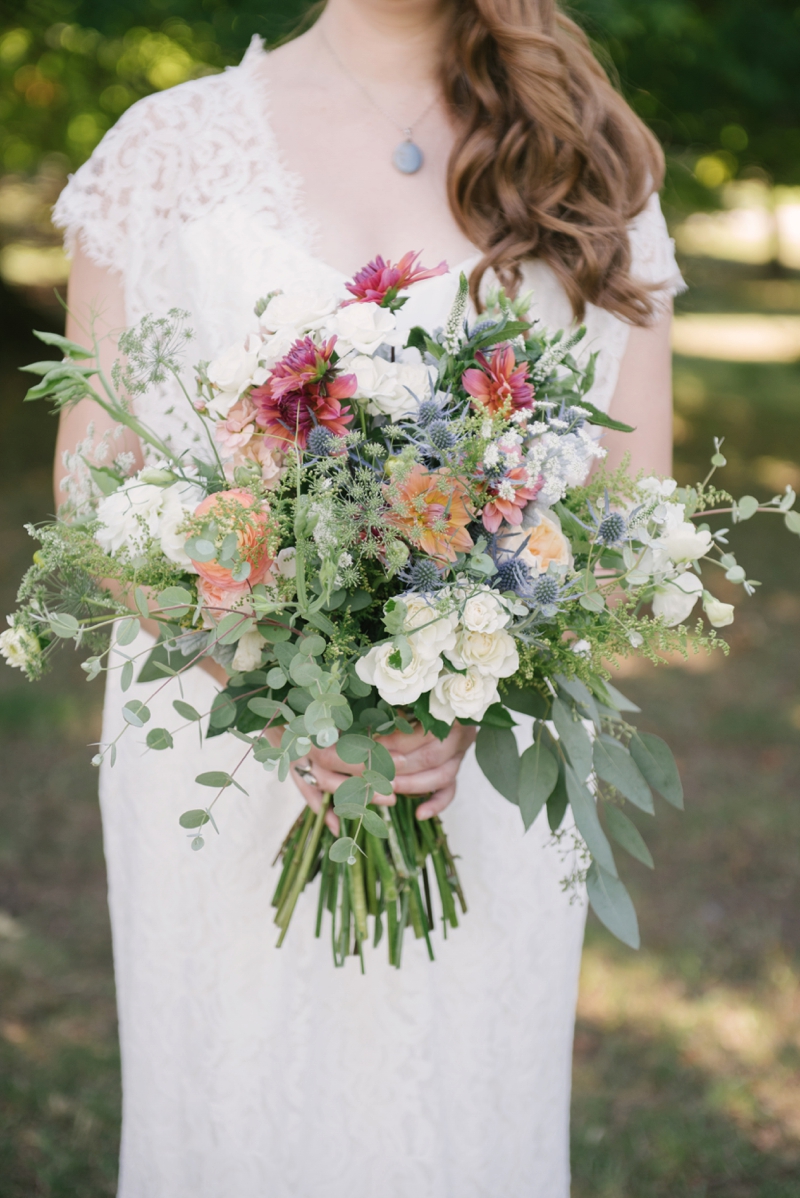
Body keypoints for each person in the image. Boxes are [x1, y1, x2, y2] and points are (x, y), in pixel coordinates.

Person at [52, 1, 683, 1194]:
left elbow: (630, 512)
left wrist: (468, 680)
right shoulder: (161, 151)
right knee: (233, 1113)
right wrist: (275, 683)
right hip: (222, 750)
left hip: (487, 763)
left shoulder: (592, 155)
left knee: (460, 1122)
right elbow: (98, 497)